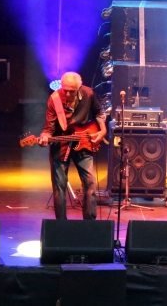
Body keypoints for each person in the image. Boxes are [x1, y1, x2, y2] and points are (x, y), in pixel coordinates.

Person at [39, 71, 108, 221]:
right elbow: (48, 128)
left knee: (90, 184)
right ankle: (61, 225)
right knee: (59, 187)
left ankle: (89, 225)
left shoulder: (88, 93)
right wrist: (44, 136)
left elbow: (99, 113)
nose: (68, 94)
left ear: (79, 88)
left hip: (84, 142)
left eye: (72, 91)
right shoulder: (54, 99)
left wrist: (103, 131)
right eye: (65, 90)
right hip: (61, 144)